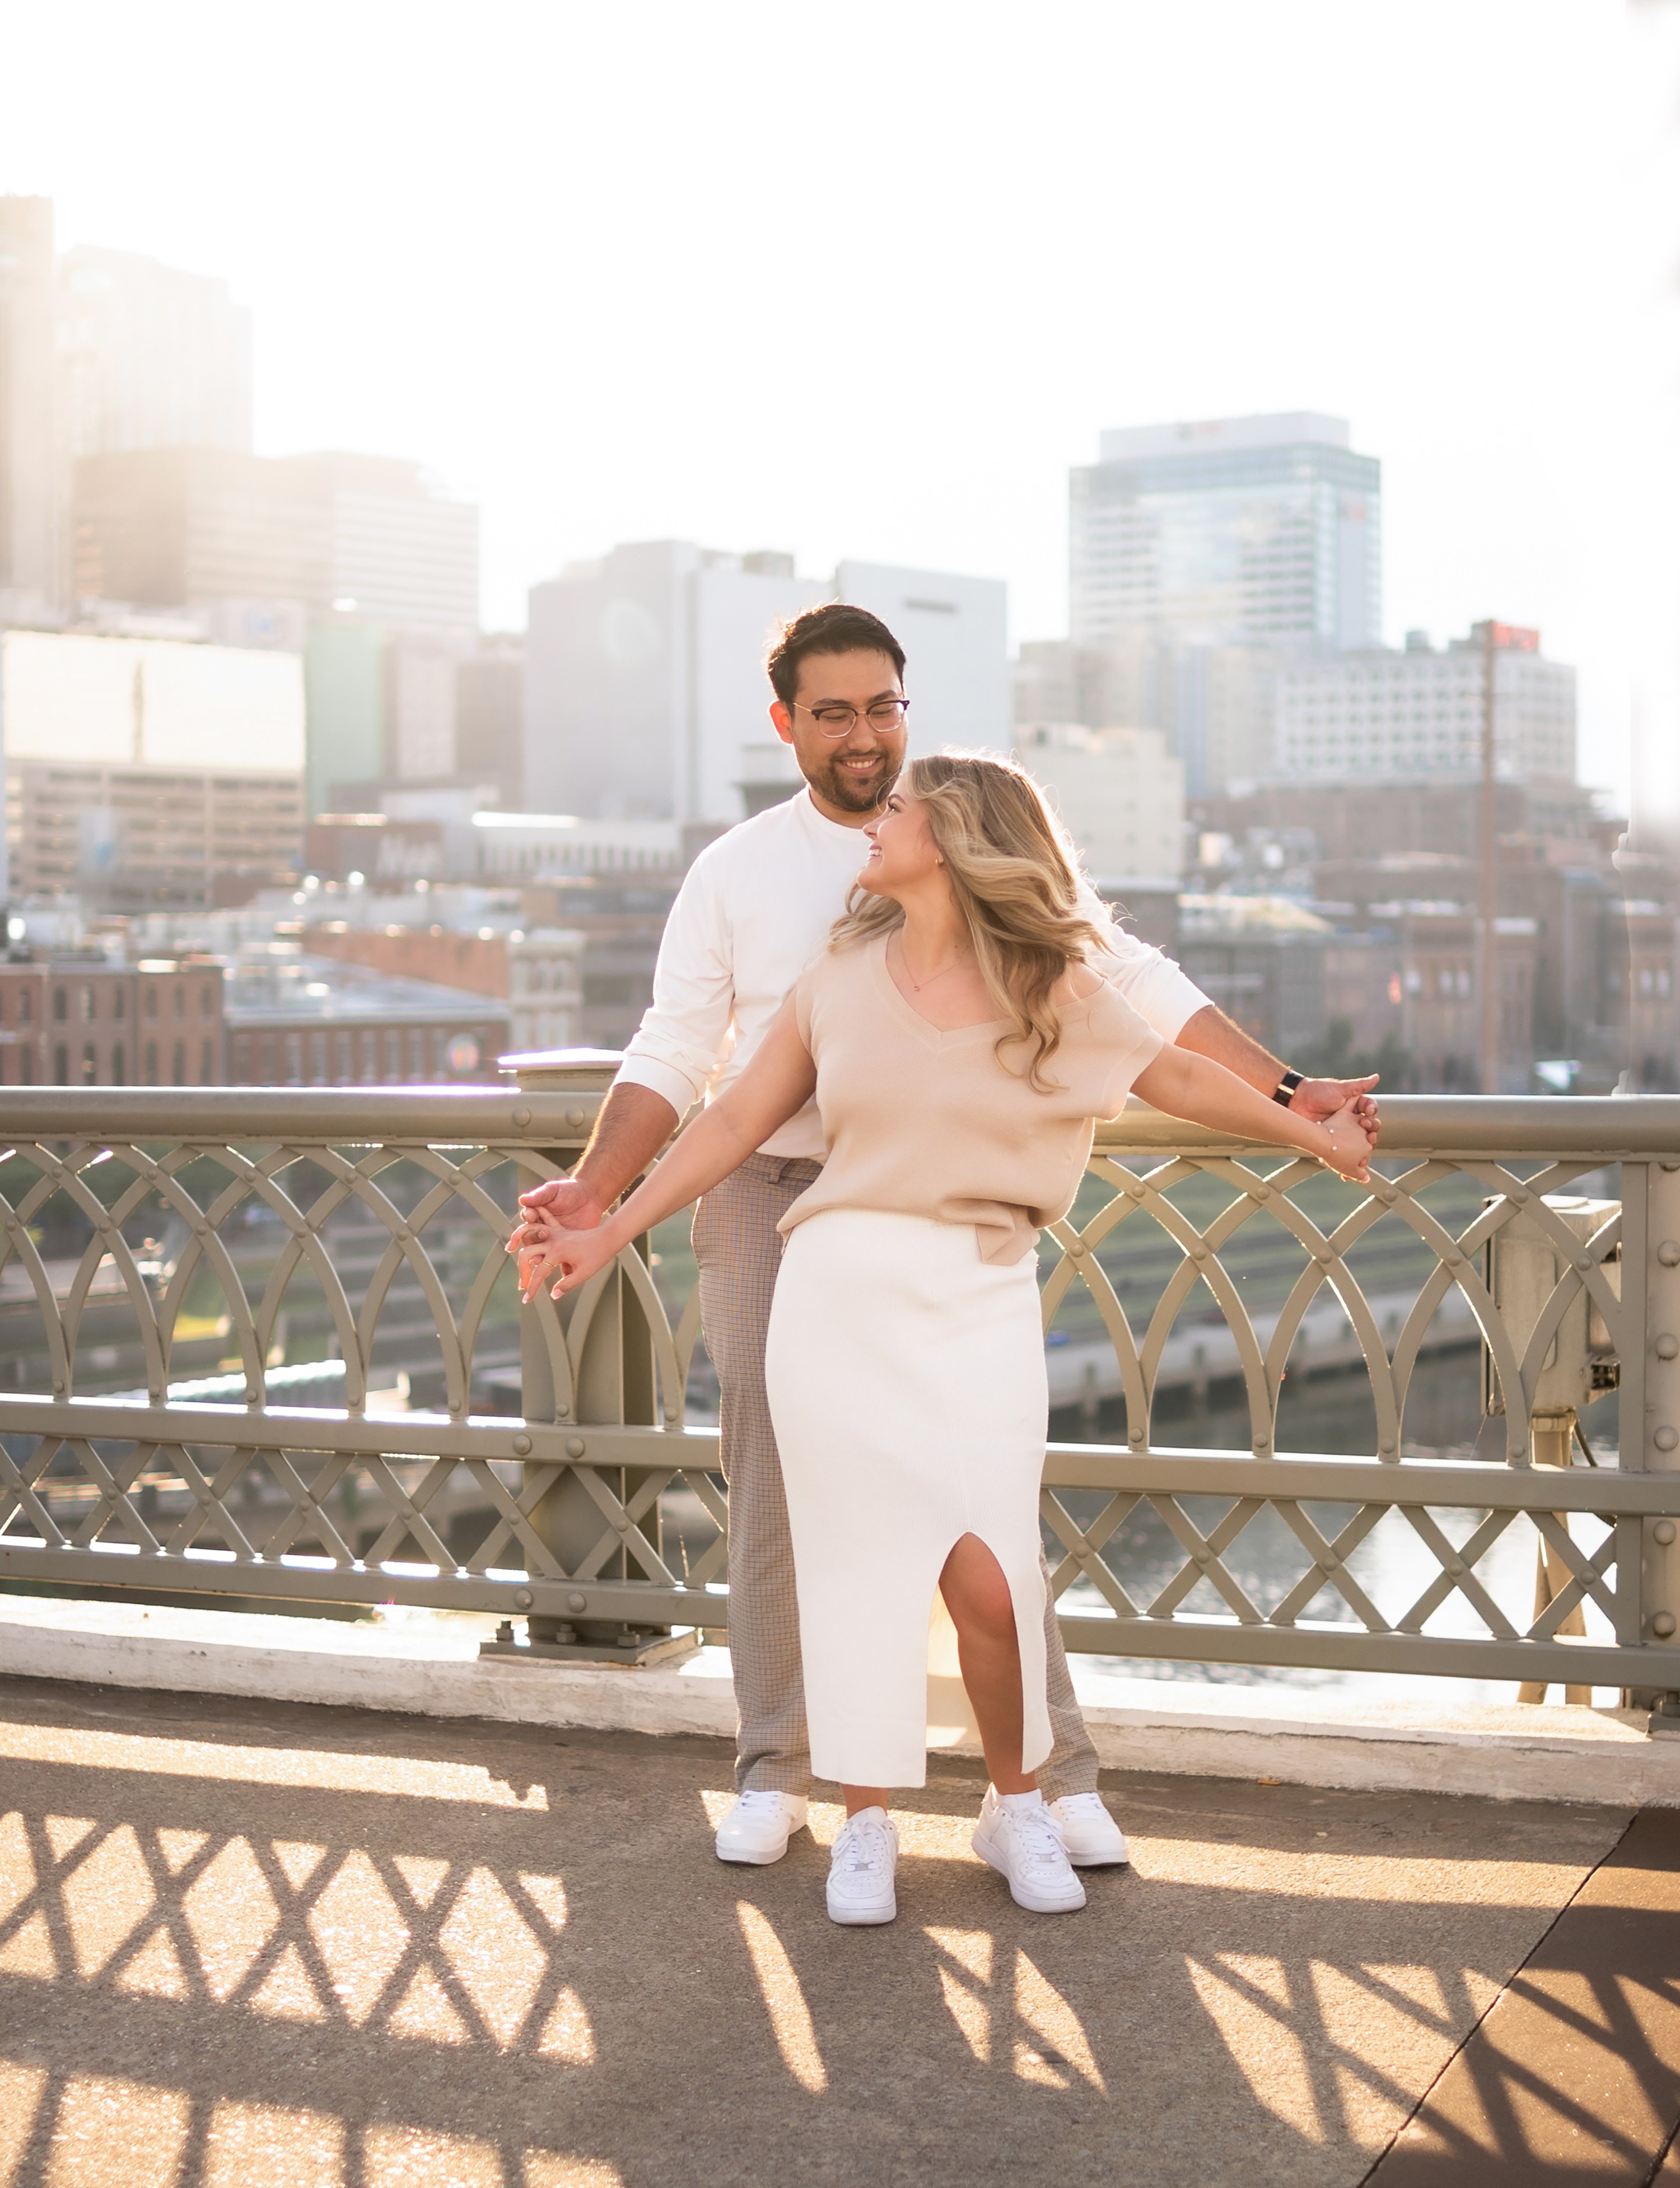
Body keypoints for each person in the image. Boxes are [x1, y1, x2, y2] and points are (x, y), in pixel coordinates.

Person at [511, 601, 1378, 1872]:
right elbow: (684, 1060)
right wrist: (597, 1190)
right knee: (777, 1463)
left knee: (982, 1499)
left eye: (884, 707)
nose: (866, 736)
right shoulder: (740, 871)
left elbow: (1134, 990)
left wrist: (1295, 1093)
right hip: (769, 1185)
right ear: (786, 726)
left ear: (906, 708)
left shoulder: (958, 823)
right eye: (835, 713)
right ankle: (777, 1761)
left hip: (946, 1201)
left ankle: (1044, 1776)